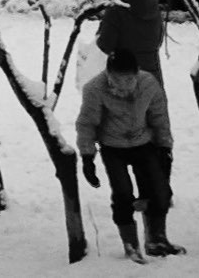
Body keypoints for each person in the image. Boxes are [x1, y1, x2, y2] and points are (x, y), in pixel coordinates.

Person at [73, 41, 181, 261]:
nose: (124, 85)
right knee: (123, 194)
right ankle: (130, 244)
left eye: (129, 79)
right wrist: (87, 157)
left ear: (136, 74)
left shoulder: (148, 84)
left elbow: (159, 117)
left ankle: (156, 238)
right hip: (113, 148)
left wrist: (165, 147)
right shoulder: (95, 89)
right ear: (108, 75)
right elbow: (87, 123)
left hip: (144, 144)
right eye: (117, 80)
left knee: (159, 191)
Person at [96, 0, 167, 79]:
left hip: (124, 78)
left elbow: (105, 45)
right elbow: (159, 39)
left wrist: (101, 29)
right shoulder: (153, 4)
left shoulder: (116, 9)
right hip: (152, 76)